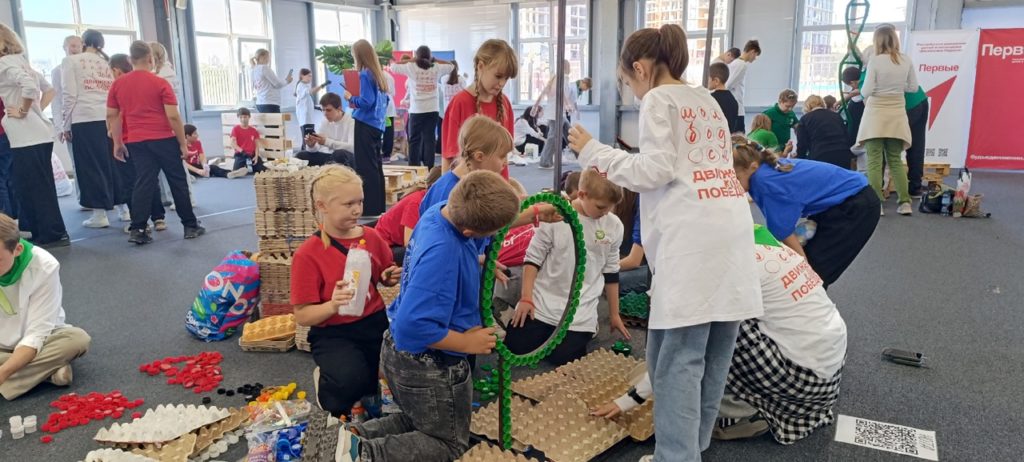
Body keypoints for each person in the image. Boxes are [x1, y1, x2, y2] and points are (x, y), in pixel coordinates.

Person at [567, 24, 762, 462]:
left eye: (628, 82)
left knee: (676, 360)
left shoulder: (658, 99)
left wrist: (593, 152)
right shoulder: (707, 99)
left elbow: (654, 171)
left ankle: (676, 456)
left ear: (640, 68)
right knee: (714, 355)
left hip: (694, 241)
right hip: (731, 230)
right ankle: (693, 447)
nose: (634, 92)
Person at [593, 225, 846, 446]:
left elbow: (680, 347)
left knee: (714, 331)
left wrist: (629, 400)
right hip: (826, 371)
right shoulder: (757, 241)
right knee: (720, 323)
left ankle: (748, 414)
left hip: (800, 382)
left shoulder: (719, 273)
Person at [339, 170, 519, 462]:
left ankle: (350, 437)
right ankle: (363, 454)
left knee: (419, 420)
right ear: (470, 233)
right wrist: (466, 343)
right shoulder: (443, 254)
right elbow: (413, 326)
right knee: (447, 443)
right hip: (428, 363)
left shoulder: (440, 211)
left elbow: (461, 240)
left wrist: (481, 256)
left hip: (399, 355)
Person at [291, 165, 400, 418]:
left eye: (360, 201)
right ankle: (329, 386)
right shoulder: (308, 254)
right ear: (322, 206)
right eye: (348, 204)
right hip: (333, 332)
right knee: (349, 382)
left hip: (373, 322)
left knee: (390, 377)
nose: (357, 210)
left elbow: (383, 276)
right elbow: (303, 315)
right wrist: (332, 304)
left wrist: (388, 277)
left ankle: (361, 386)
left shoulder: (372, 238)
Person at [506, 168, 628, 366]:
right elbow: (532, 259)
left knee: (563, 358)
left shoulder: (614, 225)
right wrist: (526, 298)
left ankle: (589, 328)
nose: (606, 213)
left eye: (610, 208)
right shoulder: (555, 215)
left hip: (579, 311)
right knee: (516, 347)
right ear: (582, 194)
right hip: (543, 303)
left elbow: (611, 271)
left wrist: (614, 314)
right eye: (600, 207)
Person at [732, 136, 878, 288]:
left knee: (814, 274)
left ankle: (812, 297)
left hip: (855, 206)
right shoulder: (764, 171)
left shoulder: (763, 180)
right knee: (808, 269)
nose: (731, 184)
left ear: (752, 167)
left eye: (735, 178)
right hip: (843, 201)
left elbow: (782, 232)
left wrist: (805, 271)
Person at [107, 40, 204, 245]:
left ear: (130, 60)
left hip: (137, 141)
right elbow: (174, 117)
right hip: (163, 139)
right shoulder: (160, 83)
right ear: (150, 59)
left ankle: (139, 229)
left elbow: (112, 116)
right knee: (177, 181)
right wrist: (182, 144)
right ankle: (190, 226)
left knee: (144, 182)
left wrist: (117, 142)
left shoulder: (117, 84)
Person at [0, 213, 91, 400]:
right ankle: (48, 373)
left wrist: (3, 372)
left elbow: (36, 334)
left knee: (77, 339)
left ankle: (14, 373)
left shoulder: (44, 266)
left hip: (40, 340)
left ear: (17, 249)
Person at [420, 116, 558, 230]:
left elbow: (489, 222)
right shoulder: (453, 193)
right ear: (479, 156)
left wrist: (536, 208)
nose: (506, 162)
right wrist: (536, 211)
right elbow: (476, 229)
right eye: (502, 156)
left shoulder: (466, 185)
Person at [0, 24, 70, 248]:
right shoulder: (20, 61)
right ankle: (44, 231)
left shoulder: (4, 63)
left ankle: (54, 233)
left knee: (36, 187)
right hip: (33, 134)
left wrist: (23, 111)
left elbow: (31, 87)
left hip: (27, 136)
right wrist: (34, 110)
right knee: (33, 186)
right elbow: (48, 89)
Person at [857, 25, 919, 216]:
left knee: (874, 162)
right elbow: (913, 88)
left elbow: (866, 91)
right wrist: (896, 88)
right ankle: (905, 202)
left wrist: (879, 89)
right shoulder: (906, 60)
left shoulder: (875, 61)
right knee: (895, 161)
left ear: (877, 41)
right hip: (897, 114)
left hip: (875, 115)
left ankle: (878, 205)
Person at [61, 29, 119, 228]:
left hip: (85, 118)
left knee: (91, 167)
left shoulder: (71, 61)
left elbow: (69, 95)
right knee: (114, 163)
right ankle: (125, 209)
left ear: (83, 42)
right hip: (108, 117)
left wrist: (65, 124)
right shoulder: (107, 62)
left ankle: (99, 214)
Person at [108, 54, 166, 234]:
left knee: (131, 182)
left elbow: (114, 116)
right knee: (149, 178)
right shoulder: (143, 82)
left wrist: (114, 137)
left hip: (127, 139)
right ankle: (158, 218)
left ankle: (139, 222)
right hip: (146, 139)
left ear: (116, 70)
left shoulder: (118, 86)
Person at [440, 39, 516, 175]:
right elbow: (448, 157)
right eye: (498, 76)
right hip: (467, 185)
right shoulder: (459, 103)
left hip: (497, 184)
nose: (502, 83)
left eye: (506, 78)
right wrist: (445, 187)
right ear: (480, 66)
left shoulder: (505, 104)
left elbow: (504, 156)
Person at [344, 40, 389, 217]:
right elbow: (384, 100)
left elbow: (366, 101)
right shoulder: (378, 74)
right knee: (376, 166)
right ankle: (379, 206)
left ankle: (369, 207)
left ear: (359, 55)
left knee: (365, 167)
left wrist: (351, 97)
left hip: (365, 123)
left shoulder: (364, 74)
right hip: (377, 124)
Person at [392, 46, 453, 169]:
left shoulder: (411, 67)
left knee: (414, 140)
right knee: (429, 139)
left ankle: (414, 168)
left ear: (417, 56)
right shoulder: (436, 67)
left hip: (416, 110)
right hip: (432, 109)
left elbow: (394, 66)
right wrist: (434, 60)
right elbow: (451, 66)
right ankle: (429, 168)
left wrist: (412, 60)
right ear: (430, 56)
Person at [375, 166, 442, 249]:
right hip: (385, 245)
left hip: (396, 242)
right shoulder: (416, 203)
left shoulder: (430, 200)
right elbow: (409, 243)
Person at [535, 60, 578, 169]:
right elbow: (561, 93)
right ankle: (545, 162)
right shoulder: (561, 78)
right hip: (556, 113)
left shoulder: (554, 79)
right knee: (553, 138)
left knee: (569, 134)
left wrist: (535, 106)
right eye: (569, 66)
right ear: (565, 67)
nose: (570, 68)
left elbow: (543, 94)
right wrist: (567, 105)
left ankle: (580, 156)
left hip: (557, 113)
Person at [296, 93, 355, 167]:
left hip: (346, 158)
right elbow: (318, 147)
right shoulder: (325, 121)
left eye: (328, 110)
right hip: (330, 157)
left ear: (339, 108)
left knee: (339, 154)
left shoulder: (351, 121)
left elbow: (352, 148)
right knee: (301, 156)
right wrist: (312, 145)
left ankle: (329, 168)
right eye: (323, 110)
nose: (325, 114)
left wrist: (327, 142)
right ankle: (327, 168)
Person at [795, 95, 855, 169]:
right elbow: (846, 137)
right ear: (823, 103)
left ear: (807, 106)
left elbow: (801, 145)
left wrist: (799, 161)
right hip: (843, 156)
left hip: (820, 157)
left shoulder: (805, 119)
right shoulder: (836, 116)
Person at [51, 35, 82, 146]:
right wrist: (60, 127)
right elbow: (56, 100)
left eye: (79, 46)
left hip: (87, 117)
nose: (76, 49)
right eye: (72, 46)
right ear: (64, 47)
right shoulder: (57, 71)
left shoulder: (85, 68)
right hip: (70, 120)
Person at [725, 40, 761, 131]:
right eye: (756, 55)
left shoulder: (735, 63)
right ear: (752, 52)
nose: (755, 58)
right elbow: (728, 84)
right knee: (739, 136)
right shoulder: (741, 65)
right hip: (736, 108)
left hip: (734, 106)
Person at [437, 60, 466, 156]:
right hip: (459, 110)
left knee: (447, 132)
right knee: (458, 132)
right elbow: (465, 92)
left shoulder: (443, 79)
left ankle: (447, 150)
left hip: (447, 110)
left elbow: (442, 90)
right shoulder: (462, 80)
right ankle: (458, 150)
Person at [250, 48, 292, 113]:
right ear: (262, 57)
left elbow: (255, 86)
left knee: (268, 120)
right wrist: (287, 81)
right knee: (274, 120)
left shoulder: (253, 70)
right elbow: (277, 84)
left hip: (260, 103)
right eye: (268, 57)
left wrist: (285, 80)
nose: (269, 59)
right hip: (270, 103)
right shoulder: (264, 68)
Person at [295, 68, 327, 149]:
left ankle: (306, 153)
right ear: (302, 76)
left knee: (310, 137)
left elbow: (306, 102)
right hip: (305, 119)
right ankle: (304, 154)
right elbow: (311, 92)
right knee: (307, 139)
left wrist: (316, 107)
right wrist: (322, 86)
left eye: (311, 76)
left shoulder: (305, 86)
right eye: (309, 76)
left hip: (309, 118)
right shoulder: (301, 85)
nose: (310, 78)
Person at [708, 62, 740, 134]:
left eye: (708, 78)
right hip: (728, 137)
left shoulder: (711, 99)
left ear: (716, 81)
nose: (707, 81)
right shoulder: (733, 100)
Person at [230, 107, 265, 174]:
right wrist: (242, 151)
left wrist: (256, 156)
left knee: (262, 170)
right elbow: (232, 143)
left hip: (251, 155)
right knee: (236, 172)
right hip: (240, 154)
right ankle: (245, 168)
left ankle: (250, 168)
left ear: (249, 117)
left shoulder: (253, 131)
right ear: (238, 117)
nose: (243, 119)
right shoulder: (235, 129)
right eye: (241, 117)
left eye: (245, 117)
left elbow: (256, 145)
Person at [841, 66, 865, 149]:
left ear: (852, 83)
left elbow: (859, 91)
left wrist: (844, 99)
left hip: (856, 134)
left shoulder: (861, 94)